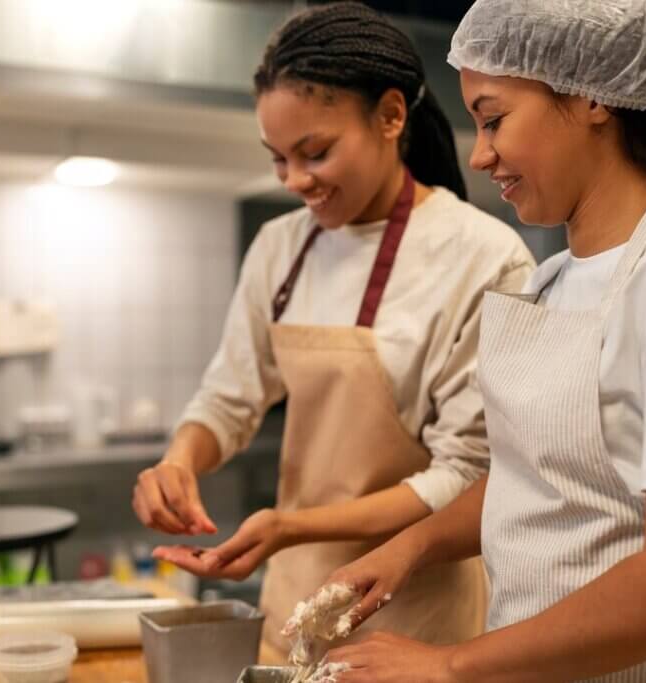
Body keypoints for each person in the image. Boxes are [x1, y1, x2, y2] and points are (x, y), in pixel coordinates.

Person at [308, 1, 646, 680]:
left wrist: (450, 664)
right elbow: (539, 471)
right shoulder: (552, 280)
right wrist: (412, 546)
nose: (479, 154)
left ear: (594, 96)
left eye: (494, 119)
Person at [130, 1, 535, 656]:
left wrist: (293, 524)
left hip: (419, 619)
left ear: (391, 116)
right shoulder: (278, 247)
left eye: (314, 152)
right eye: (277, 159)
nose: (295, 180)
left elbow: (465, 473)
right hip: (294, 606)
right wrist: (181, 459)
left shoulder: (483, 257)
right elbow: (229, 396)